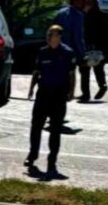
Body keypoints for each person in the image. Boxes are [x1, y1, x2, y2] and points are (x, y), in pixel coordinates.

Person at [25, 25, 75, 178]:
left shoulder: (67, 53)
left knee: (55, 129)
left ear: (59, 36)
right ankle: (32, 155)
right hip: (43, 93)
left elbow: (72, 74)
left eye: (52, 34)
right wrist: (31, 89)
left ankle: (52, 159)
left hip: (59, 95)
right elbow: (36, 72)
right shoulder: (42, 52)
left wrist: (71, 92)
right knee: (36, 126)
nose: (50, 37)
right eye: (48, 34)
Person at [52, 0, 87, 100]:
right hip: (71, 50)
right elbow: (78, 36)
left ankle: (57, 91)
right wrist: (83, 53)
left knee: (58, 71)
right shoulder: (78, 15)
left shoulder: (60, 12)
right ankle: (68, 93)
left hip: (58, 47)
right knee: (71, 72)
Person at [80, 0, 108, 102]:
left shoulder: (85, 16)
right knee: (96, 69)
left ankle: (87, 94)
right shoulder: (103, 15)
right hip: (98, 47)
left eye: (87, 3)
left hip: (91, 46)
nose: (85, 5)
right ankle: (101, 86)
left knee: (86, 70)